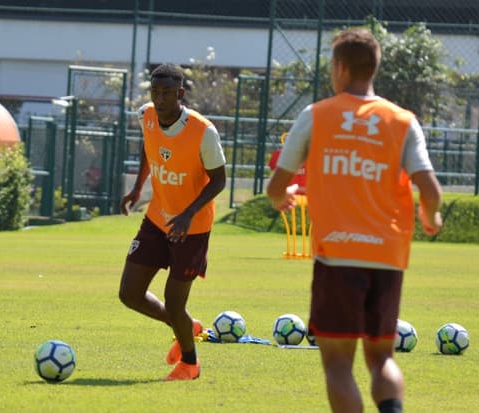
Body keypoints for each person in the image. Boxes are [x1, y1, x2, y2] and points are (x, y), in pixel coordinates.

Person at [266, 29, 442, 413]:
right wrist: (431, 217)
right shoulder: (402, 120)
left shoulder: (316, 115)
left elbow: (276, 186)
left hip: (337, 256)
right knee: (382, 358)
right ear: (374, 67)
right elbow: (430, 190)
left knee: (338, 363)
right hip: (387, 257)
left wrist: (284, 198)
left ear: (341, 67)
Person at [119, 63, 226, 381]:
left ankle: (190, 364)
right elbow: (149, 149)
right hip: (156, 218)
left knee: (174, 302)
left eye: (167, 92)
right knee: (129, 294)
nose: (160, 98)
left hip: (191, 229)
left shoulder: (203, 131)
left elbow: (219, 181)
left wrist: (188, 213)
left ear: (180, 94)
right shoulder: (146, 115)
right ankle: (186, 327)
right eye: (155, 92)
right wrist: (138, 188)